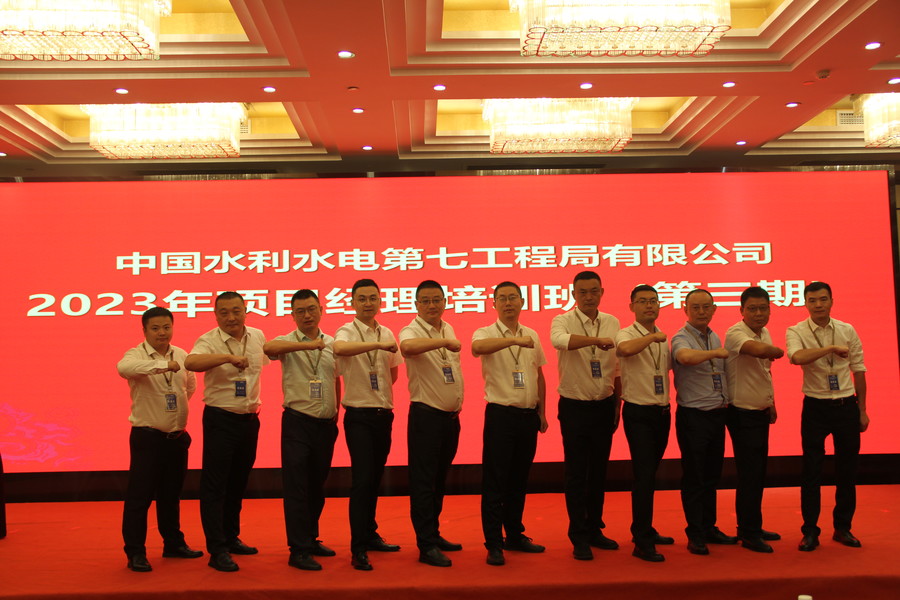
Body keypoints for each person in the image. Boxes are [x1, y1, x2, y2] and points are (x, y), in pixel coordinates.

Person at [185, 291, 268, 572]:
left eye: (236, 311)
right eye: (224, 313)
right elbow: (191, 363)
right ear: (216, 315)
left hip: (249, 419)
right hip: (221, 419)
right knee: (215, 485)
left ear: (245, 311)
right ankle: (217, 549)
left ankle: (231, 537)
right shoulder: (209, 340)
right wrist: (226, 358)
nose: (231, 317)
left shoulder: (257, 336)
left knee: (237, 482)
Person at [786, 281, 869, 552]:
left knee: (847, 470)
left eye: (823, 299)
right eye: (812, 300)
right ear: (805, 303)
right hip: (815, 407)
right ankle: (810, 531)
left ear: (832, 301)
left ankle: (843, 528)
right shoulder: (796, 330)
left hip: (846, 405)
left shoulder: (847, 329)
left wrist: (862, 409)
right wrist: (830, 349)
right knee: (811, 470)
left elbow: (859, 370)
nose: (818, 305)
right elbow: (797, 357)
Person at [117, 306, 201, 572]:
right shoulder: (135, 355)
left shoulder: (182, 355)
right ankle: (135, 552)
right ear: (145, 330)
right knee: (139, 497)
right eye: (155, 328)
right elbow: (123, 368)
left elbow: (189, 388)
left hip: (177, 437)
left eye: (166, 327)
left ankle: (173, 544)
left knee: (171, 495)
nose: (162, 333)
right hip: (148, 437)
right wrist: (162, 365)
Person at [264, 290, 341, 571]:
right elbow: (269, 349)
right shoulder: (286, 341)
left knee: (316, 487)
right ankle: (298, 550)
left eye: (311, 309)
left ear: (321, 309)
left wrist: (336, 413)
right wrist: (305, 347)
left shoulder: (332, 343)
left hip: (326, 424)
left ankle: (310, 538)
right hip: (298, 423)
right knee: (297, 487)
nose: (307, 315)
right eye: (300, 311)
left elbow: (335, 379)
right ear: (293, 315)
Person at [472, 281, 548, 567]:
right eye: (502, 298)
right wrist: (512, 341)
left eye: (513, 297)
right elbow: (477, 348)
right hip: (501, 416)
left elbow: (539, 375)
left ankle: (515, 535)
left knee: (519, 480)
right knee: (495, 481)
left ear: (522, 302)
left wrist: (542, 412)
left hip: (528, 416)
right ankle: (494, 543)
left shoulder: (532, 334)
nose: (508, 303)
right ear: (494, 304)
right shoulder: (486, 332)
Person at [549, 271, 620, 561]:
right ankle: (578, 535)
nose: (589, 297)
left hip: (604, 405)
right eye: (583, 292)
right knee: (577, 473)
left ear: (602, 292)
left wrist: (617, 403)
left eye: (594, 291)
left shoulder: (613, 321)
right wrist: (596, 340)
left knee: (599, 471)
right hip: (574, 406)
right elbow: (559, 341)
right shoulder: (562, 320)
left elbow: (616, 367)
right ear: (573, 294)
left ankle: (594, 529)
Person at [333, 279, 403, 571]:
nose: (367, 303)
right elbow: (339, 349)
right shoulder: (346, 331)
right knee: (362, 480)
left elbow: (392, 373)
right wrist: (376, 345)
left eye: (373, 298)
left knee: (374, 478)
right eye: (361, 299)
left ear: (379, 301)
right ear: (352, 302)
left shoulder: (387, 331)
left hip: (383, 414)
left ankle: (370, 533)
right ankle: (358, 548)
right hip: (359, 416)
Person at [399, 280, 464, 568]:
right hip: (426, 417)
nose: (432, 305)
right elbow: (407, 347)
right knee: (424, 483)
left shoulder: (447, 327)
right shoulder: (412, 329)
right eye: (425, 301)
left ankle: (433, 534)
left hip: (449, 419)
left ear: (445, 302)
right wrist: (443, 343)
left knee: (438, 480)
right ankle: (425, 545)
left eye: (437, 300)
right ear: (416, 304)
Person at [671, 289, 735, 555]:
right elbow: (684, 358)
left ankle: (709, 527)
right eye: (695, 307)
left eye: (706, 307)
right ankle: (695, 533)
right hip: (694, 416)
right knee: (695, 477)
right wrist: (714, 354)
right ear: (685, 309)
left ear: (714, 309)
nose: (701, 312)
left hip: (717, 414)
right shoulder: (681, 337)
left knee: (711, 476)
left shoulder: (714, 336)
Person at [615, 285, 675, 562]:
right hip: (639, 413)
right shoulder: (627, 333)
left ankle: (646, 529)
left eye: (653, 301)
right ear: (632, 307)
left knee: (651, 474)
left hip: (662, 412)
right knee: (644, 476)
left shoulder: (662, 336)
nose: (649, 305)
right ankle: (641, 540)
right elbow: (625, 350)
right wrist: (651, 338)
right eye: (642, 301)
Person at [724, 287, 785, 553]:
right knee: (749, 474)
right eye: (752, 309)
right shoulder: (735, 333)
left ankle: (753, 526)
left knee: (758, 473)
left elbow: (764, 372)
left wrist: (771, 402)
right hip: (742, 413)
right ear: (742, 311)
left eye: (763, 308)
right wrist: (777, 350)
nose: (758, 313)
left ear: (769, 310)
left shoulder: (765, 332)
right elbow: (758, 351)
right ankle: (748, 533)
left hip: (759, 410)